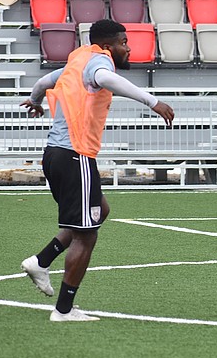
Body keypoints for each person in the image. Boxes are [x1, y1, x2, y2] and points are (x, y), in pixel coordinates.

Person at [19, 19, 175, 322]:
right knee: (86, 236)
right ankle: (64, 310)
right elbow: (106, 77)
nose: (127, 48)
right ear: (108, 45)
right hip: (74, 155)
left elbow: (41, 83)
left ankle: (42, 261)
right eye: (123, 42)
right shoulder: (99, 63)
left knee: (98, 211)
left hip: (56, 154)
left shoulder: (78, 60)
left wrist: (36, 102)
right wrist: (153, 102)